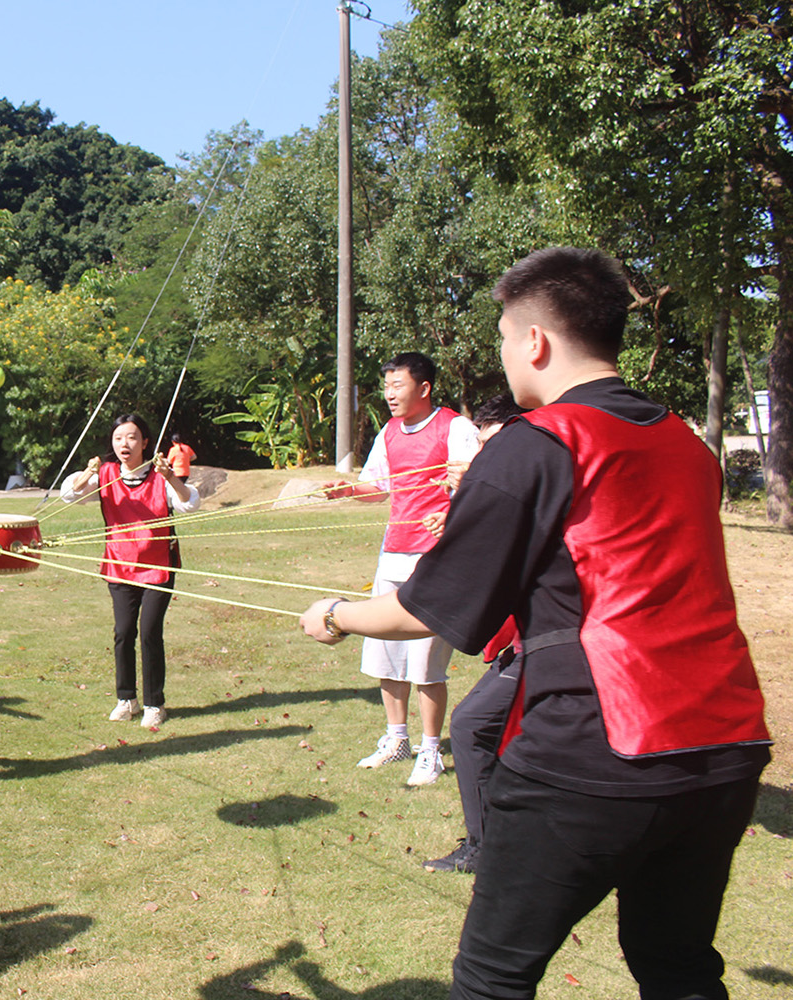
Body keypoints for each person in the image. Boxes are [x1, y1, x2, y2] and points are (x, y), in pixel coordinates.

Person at [300, 248, 770, 999]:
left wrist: (335, 614)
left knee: (493, 978)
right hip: (726, 743)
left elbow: (430, 608)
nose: (502, 354)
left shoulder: (536, 443)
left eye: (501, 337)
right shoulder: (686, 441)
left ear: (536, 342)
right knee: (678, 966)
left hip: (599, 745)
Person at [321, 352, 479, 786]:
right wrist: (347, 491)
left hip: (435, 559)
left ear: (424, 388)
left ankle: (430, 750)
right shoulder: (390, 432)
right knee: (384, 652)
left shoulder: (456, 429)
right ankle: (396, 739)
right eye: (386, 386)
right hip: (393, 554)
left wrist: (451, 511)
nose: (389, 394)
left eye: (398, 385)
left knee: (426, 662)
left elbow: (476, 486)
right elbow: (378, 487)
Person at [413, 394, 526, 875]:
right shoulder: (506, 488)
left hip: (550, 648)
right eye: (480, 446)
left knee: (472, 725)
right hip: (523, 644)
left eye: (491, 446)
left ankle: (487, 847)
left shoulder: (524, 489)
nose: (482, 456)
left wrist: (340, 618)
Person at [63, 415, 201, 729]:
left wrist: (171, 477)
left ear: (145, 442)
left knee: (150, 632)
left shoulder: (160, 475)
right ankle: (127, 699)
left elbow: (189, 503)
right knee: (124, 632)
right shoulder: (105, 474)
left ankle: (154, 704)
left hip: (158, 567)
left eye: (132, 437)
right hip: (119, 566)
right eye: (118, 438)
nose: (124, 444)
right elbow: (70, 495)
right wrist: (89, 471)